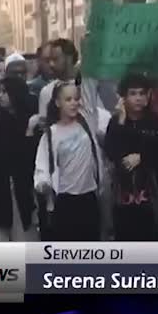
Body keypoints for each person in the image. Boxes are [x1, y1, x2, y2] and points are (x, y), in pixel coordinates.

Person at [104, 74, 158, 241]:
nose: (138, 98)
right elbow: (112, 151)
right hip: (123, 199)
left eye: (142, 93)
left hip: (152, 201)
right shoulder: (116, 122)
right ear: (124, 97)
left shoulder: (155, 122)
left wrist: (143, 157)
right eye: (133, 94)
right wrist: (120, 119)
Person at [34, 82, 102, 241]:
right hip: (65, 201)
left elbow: (89, 91)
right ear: (58, 103)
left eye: (76, 99)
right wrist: (43, 183)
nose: (74, 103)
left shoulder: (86, 123)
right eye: (68, 99)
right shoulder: (51, 134)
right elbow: (42, 165)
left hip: (88, 197)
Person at [0, 77, 39, 241]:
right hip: (3, 187)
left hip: (24, 188)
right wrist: (28, 133)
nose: (1, 96)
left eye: (5, 92)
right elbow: (9, 155)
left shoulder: (30, 117)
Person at [38, 38, 79, 119]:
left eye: (55, 59)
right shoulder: (46, 92)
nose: (51, 64)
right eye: (49, 60)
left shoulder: (88, 87)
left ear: (69, 58)